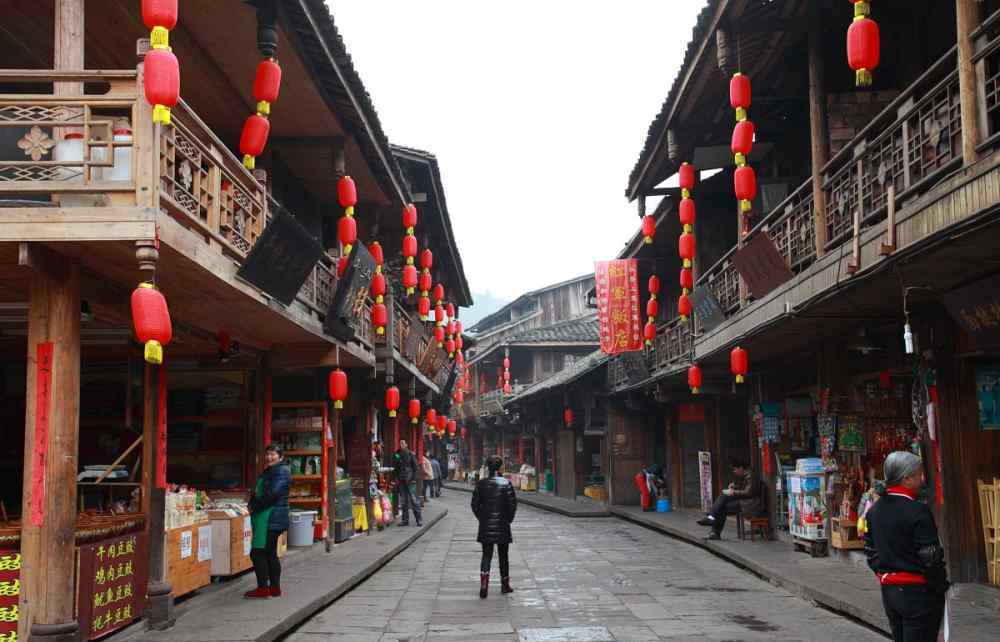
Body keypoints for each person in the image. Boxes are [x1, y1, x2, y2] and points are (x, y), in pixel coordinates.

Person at [864, 451, 948, 642]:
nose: (922, 479)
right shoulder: (917, 510)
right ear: (906, 478)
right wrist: (939, 585)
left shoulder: (875, 510)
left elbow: (870, 550)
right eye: (918, 475)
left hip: (890, 591)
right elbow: (931, 557)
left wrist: (884, 572)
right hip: (917, 593)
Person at [245, 444, 290, 598]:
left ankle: (263, 588)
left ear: (281, 456)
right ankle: (274, 588)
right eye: (268, 454)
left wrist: (255, 506)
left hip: (270, 517)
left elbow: (272, 495)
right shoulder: (272, 471)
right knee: (269, 552)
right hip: (267, 516)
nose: (269, 457)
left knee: (258, 552)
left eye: (273, 454)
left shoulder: (281, 472)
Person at [471, 455, 517, 598]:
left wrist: (482, 518)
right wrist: (507, 520)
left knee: (486, 556)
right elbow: (512, 505)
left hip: (486, 526)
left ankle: (484, 586)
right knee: (504, 556)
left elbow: (474, 505)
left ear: (488, 467)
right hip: (503, 525)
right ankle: (505, 585)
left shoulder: (481, 484)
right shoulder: (506, 483)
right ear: (500, 467)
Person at [697, 458, 763, 540]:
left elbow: (749, 492)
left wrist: (734, 492)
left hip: (750, 503)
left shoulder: (751, 476)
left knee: (722, 503)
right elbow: (744, 488)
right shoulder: (746, 475)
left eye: (735, 469)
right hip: (744, 501)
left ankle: (712, 523)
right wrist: (734, 487)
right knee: (722, 502)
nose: (734, 472)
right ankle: (713, 524)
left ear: (741, 468)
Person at [393, 439, 422, 527]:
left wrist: (413, 478)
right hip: (401, 480)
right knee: (403, 501)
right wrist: (396, 478)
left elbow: (416, 468)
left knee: (414, 501)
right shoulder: (398, 454)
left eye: (403, 443)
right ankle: (405, 520)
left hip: (410, 481)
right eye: (400, 443)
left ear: (406, 444)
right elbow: (395, 464)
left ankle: (419, 520)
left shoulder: (410, 454)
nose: (401, 444)